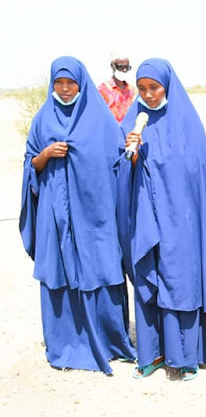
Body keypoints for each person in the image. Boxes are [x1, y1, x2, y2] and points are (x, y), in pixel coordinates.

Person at [20, 56, 135, 374]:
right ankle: (66, 343)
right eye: (59, 82)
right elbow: (30, 165)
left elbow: (118, 163)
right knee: (60, 272)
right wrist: (44, 155)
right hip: (55, 216)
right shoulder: (42, 120)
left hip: (95, 215)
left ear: (82, 83)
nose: (66, 88)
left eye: (71, 82)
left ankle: (109, 340)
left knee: (100, 267)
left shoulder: (101, 120)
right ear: (52, 84)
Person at [118, 58, 206, 381]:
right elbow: (118, 172)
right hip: (145, 216)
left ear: (167, 86)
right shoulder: (133, 119)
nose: (148, 95)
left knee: (179, 279)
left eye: (154, 88)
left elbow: (195, 173)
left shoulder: (186, 121)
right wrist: (131, 155)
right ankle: (151, 353)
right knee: (148, 279)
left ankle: (185, 357)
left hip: (179, 218)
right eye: (142, 89)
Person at [98, 53, 135, 123]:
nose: (124, 70)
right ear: (113, 66)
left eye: (127, 67)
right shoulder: (103, 89)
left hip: (128, 131)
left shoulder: (132, 90)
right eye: (121, 67)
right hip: (110, 131)